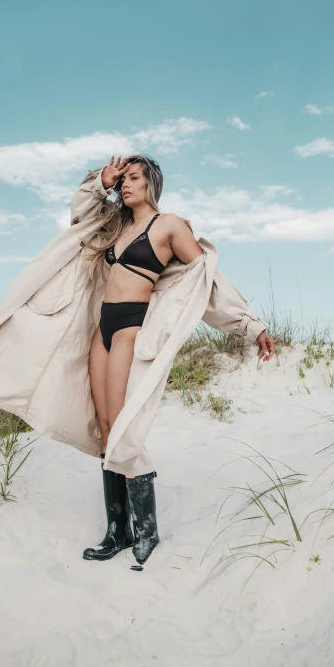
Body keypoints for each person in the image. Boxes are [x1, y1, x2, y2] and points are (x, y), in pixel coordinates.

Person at [79, 154, 274, 569]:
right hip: (102, 332)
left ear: (151, 183)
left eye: (133, 178)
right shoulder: (117, 226)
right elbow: (79, 214)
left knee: (124, 431)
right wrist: (101, 180)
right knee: (105, 430)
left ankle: (146, 532)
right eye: (122, 179)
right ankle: (118, 532)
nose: (125, 184)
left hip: (131, 329)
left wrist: (250, 324)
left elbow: (208, 279)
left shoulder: (168, 225)